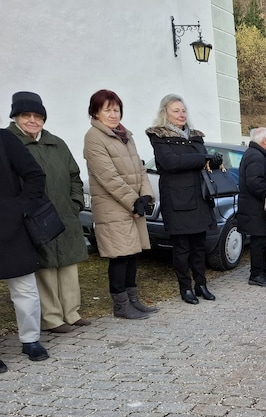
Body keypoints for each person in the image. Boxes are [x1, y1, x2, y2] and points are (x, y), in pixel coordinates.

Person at [8, 91, 90, 333]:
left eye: (37, 116)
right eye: (26, 115)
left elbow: (74, 176)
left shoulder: (57, 143)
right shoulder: (10, 143)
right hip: (32, 215)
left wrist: (75, 203)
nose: (32, 120)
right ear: (16, 117)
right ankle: (52, 318)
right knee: (44, 266)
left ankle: (72, 312)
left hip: (65, 212)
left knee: (68, 264)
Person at [83, 89, 158, 320]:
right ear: (95, 113)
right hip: (113, 206)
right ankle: (121, 304)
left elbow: (140, 168)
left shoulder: (126, 136)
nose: (114, 114)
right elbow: (108, 177)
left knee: (132, 253)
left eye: (116, 109)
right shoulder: (93, 137)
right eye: (108, 110)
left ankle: (134, 300)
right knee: (119, 256)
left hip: (132, 206)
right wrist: (134, 201)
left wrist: (146, 196)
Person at [146, 94, 219, 305]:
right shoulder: (158, 136)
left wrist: (212, 161)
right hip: (177, 200)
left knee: (199, 247)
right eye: (176, 111)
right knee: (182, 249)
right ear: (165, 114)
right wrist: (201, 158)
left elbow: (200, 161)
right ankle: (185, 288)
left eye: (183, 110)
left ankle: (201, 284)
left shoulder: (195, 136)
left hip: (199, 198)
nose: (181, 114)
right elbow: (170, 162)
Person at [0, 128, 50, 370]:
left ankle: (30, 340)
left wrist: (20, 208)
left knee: (24, 289)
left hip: (10, 226)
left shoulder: (4, 138)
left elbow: (35, 175)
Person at [238, 127, 266, 287]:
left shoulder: (258, 154)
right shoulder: (255, 156)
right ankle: (256, 274)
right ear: (264, 141)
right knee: (258, 241)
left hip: (257, 207)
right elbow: (254, 183)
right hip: (255, 207)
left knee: (261, 240)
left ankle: (262, 269)